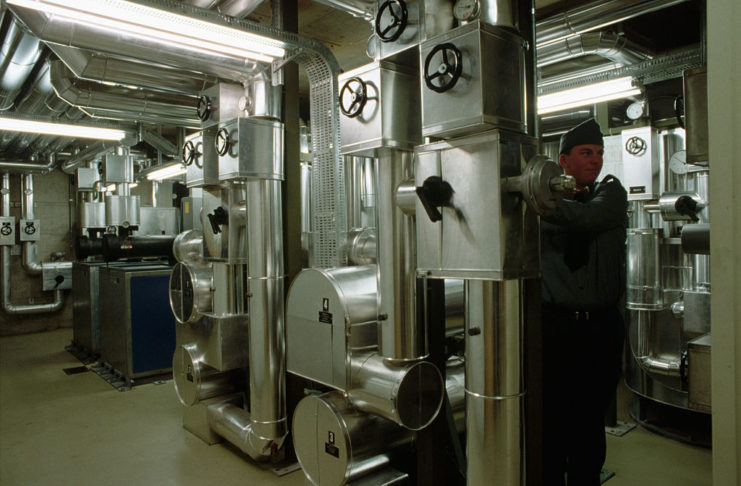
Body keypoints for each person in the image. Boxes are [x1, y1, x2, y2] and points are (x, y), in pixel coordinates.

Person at [540, 118, 628, 486]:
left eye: (599, 153)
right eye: (586, 153)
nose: (595, 160)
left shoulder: (609, 194)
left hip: (599, 328)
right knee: (553, 418)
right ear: (564, 160)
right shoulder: (550, 201)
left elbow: (585, 219)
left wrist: (534, 198)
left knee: (589, 420)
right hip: (556, 327)